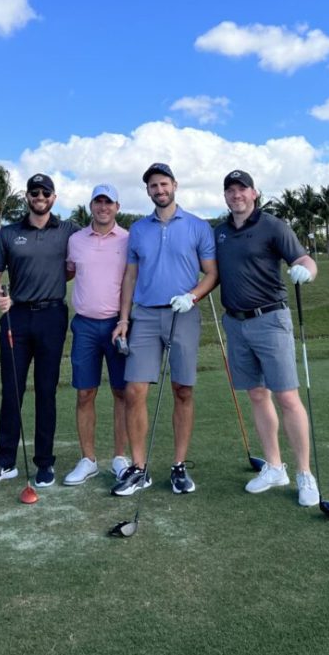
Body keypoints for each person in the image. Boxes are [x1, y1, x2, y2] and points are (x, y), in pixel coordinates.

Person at [214, 169, 320, 506]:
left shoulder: (273, 225)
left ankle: (304, 473)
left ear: (254, 193)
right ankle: (275, 467)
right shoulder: (220, 233)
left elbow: (303, 258)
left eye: (242, 189)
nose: (236, 195)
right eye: (230, 190)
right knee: (257, 395)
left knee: (287, 397)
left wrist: (307, 270)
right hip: (236, 324)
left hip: (270, 320)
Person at [111, 163, 217, 496]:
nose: (159, 190)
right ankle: (139, 468)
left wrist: (193, 296)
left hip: (183, 314)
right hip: (143, 315)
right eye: (153, 186)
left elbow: (212, 274)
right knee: (134, 391)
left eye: (164, 184)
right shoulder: (138, 229)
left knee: (183, 390)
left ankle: (178, 465)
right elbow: (129, 276)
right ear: (147, 191)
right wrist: (124, 318)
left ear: (175, 185)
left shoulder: (198, 226)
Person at [0, 173, 78, 489]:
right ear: (27, 197)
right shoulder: (9, 233)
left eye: (45, 192)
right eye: (34, 192)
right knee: (12, 390)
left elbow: (85, 256)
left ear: (53, 197)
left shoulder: (67, 231)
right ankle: (4, 461)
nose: (39, 196)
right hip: (16, 318)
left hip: (52, 317)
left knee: (46, 392)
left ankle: (45, 463)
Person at [62, 183, 131, 486]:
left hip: (119, 324)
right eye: (97, 202)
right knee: (85, 392)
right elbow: (67, 272)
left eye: (109, 202)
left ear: (117, 207)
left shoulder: (129, 239)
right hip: (85, 325)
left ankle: (119, 457)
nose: (103, 207)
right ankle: (88, 459)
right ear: (91, 206)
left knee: (122, 393)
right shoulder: (75, 240)